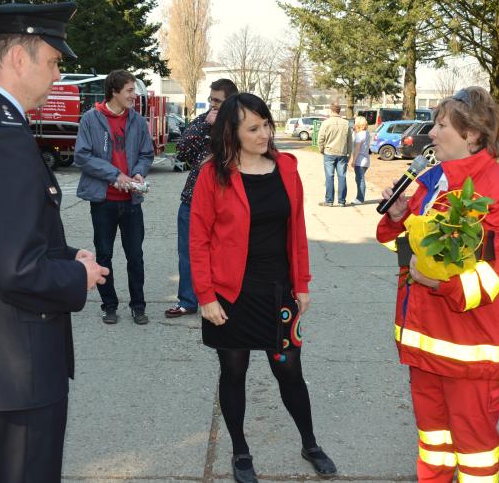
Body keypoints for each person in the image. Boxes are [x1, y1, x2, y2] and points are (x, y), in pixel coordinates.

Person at [0, 2, 109, 483]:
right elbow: (16, 269)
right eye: (53, 61)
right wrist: (78, 275)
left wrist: (67, 255)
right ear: (17, 59)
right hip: (15, 364)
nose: (57, 74)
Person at [376, 86, 499, 483]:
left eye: (441, 125)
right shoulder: (434, 180)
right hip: (425, 345)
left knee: (475, 454)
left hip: (471, 354)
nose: (431, 132)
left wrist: (439, 284)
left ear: (472, 135)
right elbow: (406, 243)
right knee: (433, 443)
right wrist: (397, 215)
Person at [190, 93, 337, 483]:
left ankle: (310, 443)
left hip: (278, 292)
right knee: (233, 371)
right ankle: (240, 451)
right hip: (230, 294)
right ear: (232, 133)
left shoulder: (286, 168)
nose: (264, 133)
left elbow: (297, 232)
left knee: (290, 371)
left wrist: (302, 284)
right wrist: (205, 295)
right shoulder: (213, 174)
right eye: (253, 128)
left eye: (266, 124)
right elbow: (198, 238)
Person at [75, 69, 154, 325]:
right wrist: (115, 175)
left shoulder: (138, 121)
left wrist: (139, 173)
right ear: (114, 92)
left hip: (131, 203)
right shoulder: (90, 119)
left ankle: (138, 306)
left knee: (135, 255)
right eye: (130, 90)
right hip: (103, 201)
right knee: (104, 254)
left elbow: (146, 154)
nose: (134, 95)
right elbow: (82, 156)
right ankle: (109, 305)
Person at [165, 78, 238, 318]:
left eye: (218, 100)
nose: (213, 104)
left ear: (231, 101)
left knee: (224, 253)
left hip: (226, 202)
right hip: (192, 199)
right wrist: (206, 127)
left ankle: (222, 298)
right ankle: (187, 300)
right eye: (211, 99)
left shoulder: (242, 124)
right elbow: (183, 151)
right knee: (187, 251)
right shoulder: (204, 120)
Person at [317, 103, 352, 207]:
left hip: (329, 152)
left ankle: (329, 201)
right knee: (342, 177)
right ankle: (341, 201)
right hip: (342, 153)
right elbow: (350, 141)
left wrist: (321, 150)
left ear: (331, 111)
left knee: (329, 177)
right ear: (339, 111)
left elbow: (320, 139)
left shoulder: (326, 123)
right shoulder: (346, 123)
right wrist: (349, 155)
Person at [349, 115, 371, 205]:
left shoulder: (360, 135)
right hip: (366, 159)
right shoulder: (366, 133)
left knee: (360, 179)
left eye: (355, 122)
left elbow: (357, 149)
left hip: (360, 160)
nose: (354, 124)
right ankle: (359, 197)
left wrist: (353, 161)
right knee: (360, 179)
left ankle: (360, 198)